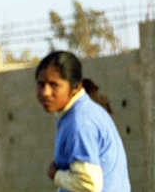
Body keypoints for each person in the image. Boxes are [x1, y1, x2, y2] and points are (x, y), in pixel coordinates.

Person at [35, 51, 130, 192]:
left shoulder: (79, 122)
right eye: (41, 84)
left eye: (54, 85)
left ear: (76, 87)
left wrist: (55, 175)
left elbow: (88, 184)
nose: (45, 92)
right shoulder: (81, 112)